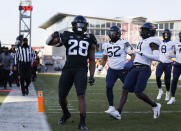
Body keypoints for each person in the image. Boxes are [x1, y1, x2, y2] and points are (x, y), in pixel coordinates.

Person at [46, 15, 97, 130]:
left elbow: (92, 59)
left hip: (81, 69)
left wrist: (92, 75)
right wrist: (53, 34)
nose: (80, 26)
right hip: (68, 69)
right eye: (78, 24)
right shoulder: (67, 35)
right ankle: (66, 114)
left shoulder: (90, 37)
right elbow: (49, 42)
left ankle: (82, 122)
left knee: (81, 95)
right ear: (74, 25)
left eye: (82, 24)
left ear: (85, 26)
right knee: (61, 96)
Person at [109, 22, 162, 120]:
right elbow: (137, 54)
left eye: (145, 30)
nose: (142, 32)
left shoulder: (153, 40)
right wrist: (132, 56)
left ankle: (155, 105)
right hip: (135, 67)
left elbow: (156, 57)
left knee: (138, 92)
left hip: (144, 68)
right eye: (142, 30)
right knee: (125, 89)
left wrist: (142, 53)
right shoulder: (141, 41)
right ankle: (118, 112)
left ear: (150, 31)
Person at [98, 26, 133, 114]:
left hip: (123, 70)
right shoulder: (106, 45)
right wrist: (100, 67)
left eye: (113, 32)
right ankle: (111, 107)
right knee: (108, 86)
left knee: (131, 89)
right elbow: (104, 58)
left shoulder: (124, 42)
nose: (112, 34)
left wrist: (131, 64)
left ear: (118, 34)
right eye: (111, 32)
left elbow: (132, 55)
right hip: (112, 70)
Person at [156, 29, 175, 101]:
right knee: (157, 77)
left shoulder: (172, 43)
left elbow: (175, 54)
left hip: (168, 64)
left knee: (167, 81)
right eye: (165, 34)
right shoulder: (160, 42)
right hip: (160, 62)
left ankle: (167, 92)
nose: (166, 35)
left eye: (167, 34)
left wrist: (171, 54)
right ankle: (160, 90)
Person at [167, 31, 181, 104]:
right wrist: (170, 53)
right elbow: (173, 50)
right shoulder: (176, 42)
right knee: (174, 80)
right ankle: (172, 97)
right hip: (178, 64)